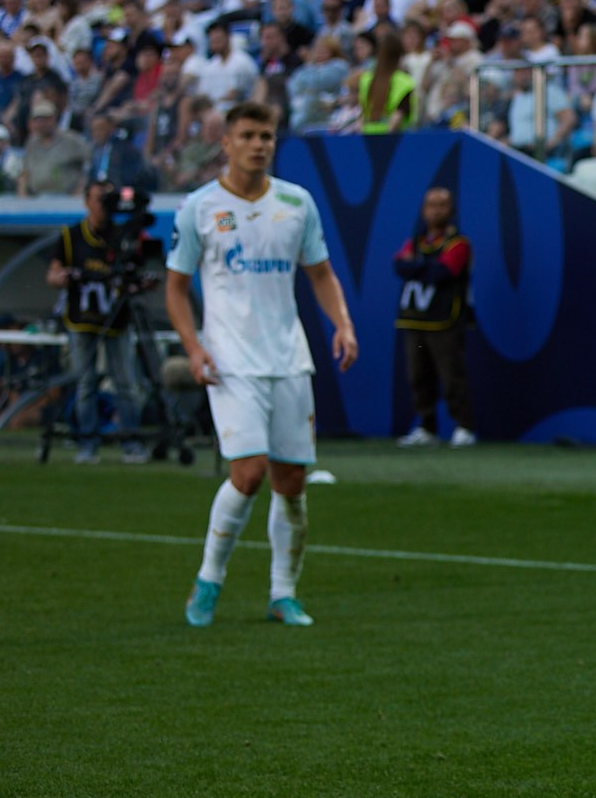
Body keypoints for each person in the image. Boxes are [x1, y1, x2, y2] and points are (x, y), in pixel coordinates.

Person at [165, 102, 359, 629]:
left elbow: (321, 273)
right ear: (226, 143)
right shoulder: (199, 207)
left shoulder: (296, 202)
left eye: (266, 136)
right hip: (230, 361)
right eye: (248, 135)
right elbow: (176, 288)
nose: (258, 145)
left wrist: (342, 324)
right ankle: (209, 580)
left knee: (291, 480)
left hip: (289, 358)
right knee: (248, 472)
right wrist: (194, 347)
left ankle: (283, 594)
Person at [49, 178, 152, 464]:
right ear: (87, 202)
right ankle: (87, 443)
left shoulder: (123, 236)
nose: (104, 206)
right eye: (99, 199)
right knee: (86, 382)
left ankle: (131, 440)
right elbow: (53, 273)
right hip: (82, 318)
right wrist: (64, 278)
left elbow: (138, 271)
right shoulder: (71, 236)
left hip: (117, 317)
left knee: (125, 382)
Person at [394, 184, 477, 448]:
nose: (436, 210)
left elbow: (442, 272)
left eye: (442, 205)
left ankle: (464, 427)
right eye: (431, 205)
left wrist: (416, 266)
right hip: (415, 319)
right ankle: (427, 427)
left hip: (445, 320)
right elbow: (399, 265)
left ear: (451, 210)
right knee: (418, 377)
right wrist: (422, 267)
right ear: (423, 210)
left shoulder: (458, 243)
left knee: (452, 376)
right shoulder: (415, 241)